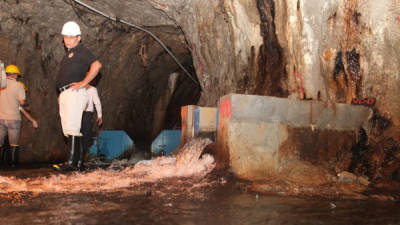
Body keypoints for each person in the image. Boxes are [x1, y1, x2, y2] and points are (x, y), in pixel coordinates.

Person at [54, 21, 102, 171]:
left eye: (71, 37)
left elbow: (97, 65)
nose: (68, 40)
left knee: (73, 128)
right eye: (66, 37)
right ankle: (78, 164)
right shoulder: (67, 55)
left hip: (75, 92)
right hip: (66, 93)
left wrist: (83, 83)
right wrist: (61, 93)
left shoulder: (82, 51)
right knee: (69, 128)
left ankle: (71, 163)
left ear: (78, 38)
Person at [0, 64, 27, 167]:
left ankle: (1, 164)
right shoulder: (18, 85)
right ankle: (13, 165)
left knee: (0, 142)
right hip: (13, 118)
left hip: (0, 117)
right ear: (15, 75)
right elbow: (22, 102)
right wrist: (27, 106)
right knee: (14, 143)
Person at [79, 84, 102, 170]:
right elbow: (97, 102)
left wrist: (99, 115)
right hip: (82, 114)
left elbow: (97, 102)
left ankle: (79, 161)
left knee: (82, 137)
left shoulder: (90, 89)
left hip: (82, 114)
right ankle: (78, 161)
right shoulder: (83, 87)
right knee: (81, 136)